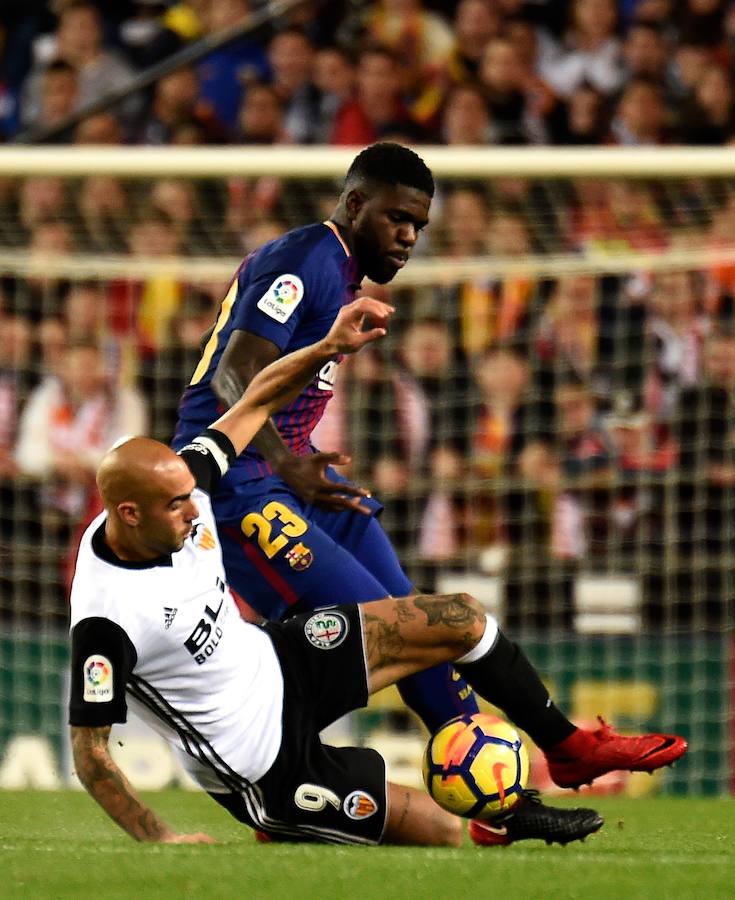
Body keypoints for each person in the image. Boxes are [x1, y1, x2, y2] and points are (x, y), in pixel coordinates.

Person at [171, 143, 686, 841]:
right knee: (390, 628)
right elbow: (231, 378)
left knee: (423, 621)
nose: (409, 237)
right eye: (397, 219)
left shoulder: (340, 275)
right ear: (354, 205)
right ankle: (288, 787)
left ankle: (523, 784)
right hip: (234, 488)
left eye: (418, 225)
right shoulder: (304, 262)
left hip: (290, 479)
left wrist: (296, 466)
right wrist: (285, 464)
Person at [70, 299, 632, 846]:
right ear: (129, 514)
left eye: (188, 495)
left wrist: (327, 347)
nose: (194, 510)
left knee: (460, 618)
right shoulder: (106, 617)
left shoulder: (188, 480)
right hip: (263, 764)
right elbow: (90, 751)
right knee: (440, 832)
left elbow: (254, 399)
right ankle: (286, 822)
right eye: (175, 506)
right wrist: (162, 838)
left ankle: (562, 752)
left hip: (282, 662)